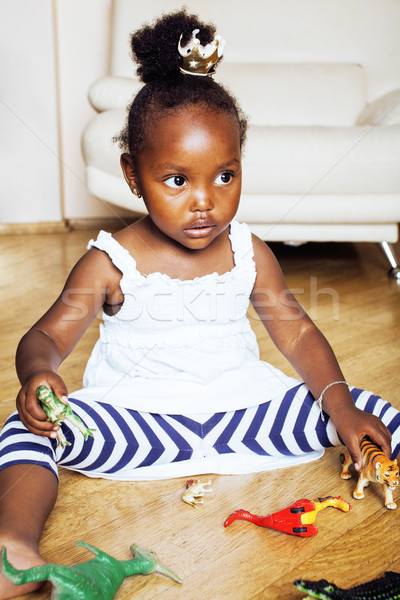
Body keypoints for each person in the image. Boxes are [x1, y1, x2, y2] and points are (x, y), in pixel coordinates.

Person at [0, 9, 399, 599]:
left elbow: (297, 333)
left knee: (370, 408)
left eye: (225, 176)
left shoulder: (248, 250)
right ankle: (14, 549)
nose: (205, 203)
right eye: (177, 180)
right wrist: (38, 375)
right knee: (23, 432)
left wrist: (339, 406)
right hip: (136, 422)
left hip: (245, 417)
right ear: (133, 176)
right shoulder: (111, 260)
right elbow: (47, 338)